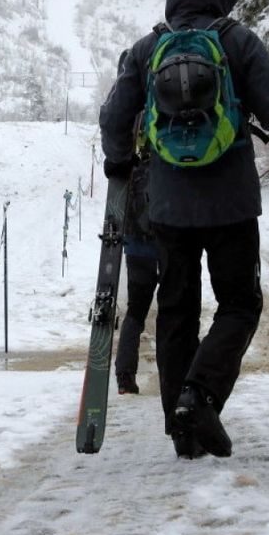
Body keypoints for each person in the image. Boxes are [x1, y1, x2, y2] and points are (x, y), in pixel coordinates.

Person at [99, 0, 269, 459]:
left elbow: (114, 121)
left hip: (169, 208)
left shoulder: (146, 49)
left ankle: (184, 434)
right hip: (232, 205)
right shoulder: (239, 41)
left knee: (176, 312)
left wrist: (119, 164)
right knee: (240, 304)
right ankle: (199, 397)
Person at [115, 154, 157, 396]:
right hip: (167, 247)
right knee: (175, 310)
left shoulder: (133, 170)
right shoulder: (170, 169)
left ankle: (125, 376)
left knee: (136, 312)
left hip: (137, 249)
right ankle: (176, 372)